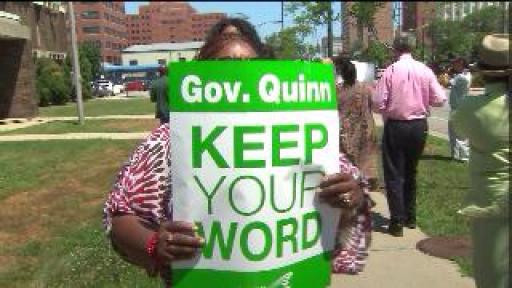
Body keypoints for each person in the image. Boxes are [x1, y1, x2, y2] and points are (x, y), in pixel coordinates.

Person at [104, 18, 372, 287]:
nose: (238, 75)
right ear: (202, 72)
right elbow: (120, 216)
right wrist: (153, 245)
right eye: (225, 65)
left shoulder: (298, 133)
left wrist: (351, 196)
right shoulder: (168, 140)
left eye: (249, 65)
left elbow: (353, 196)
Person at [451, 33, 510, 288]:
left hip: (490, 202)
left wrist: (478, 82)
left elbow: (459, 129)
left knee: (492, 275)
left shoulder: (471, 107)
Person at [373, 33, 446, 237]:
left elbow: (377, 103)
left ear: (396, 49)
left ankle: (396, 221)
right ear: (413, 48)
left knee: (394, 173)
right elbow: (440, 99)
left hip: (396, 125)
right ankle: (410, 217)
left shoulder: (391, 70)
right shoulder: (425, 70)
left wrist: (388, 107)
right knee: (411, 171)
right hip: (418, 126)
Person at [333, 57, 380, 191]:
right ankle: (367, 184)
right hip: (365, 127)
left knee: (348, 159)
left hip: (345, 130)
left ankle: (352, 183)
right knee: (366, 158)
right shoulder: (366, 88)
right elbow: (376, 105)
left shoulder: (337, 90)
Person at [447, 57, 471, 162]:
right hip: (460, 107)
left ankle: (463, 157)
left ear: (461, 63)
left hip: (458, 108)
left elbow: (446, 83)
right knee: (457, 133)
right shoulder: (464, 75)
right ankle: (457, 156)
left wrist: (445, 76)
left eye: (455, 63)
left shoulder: (461, 77)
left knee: (458, 134)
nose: (453, 65)